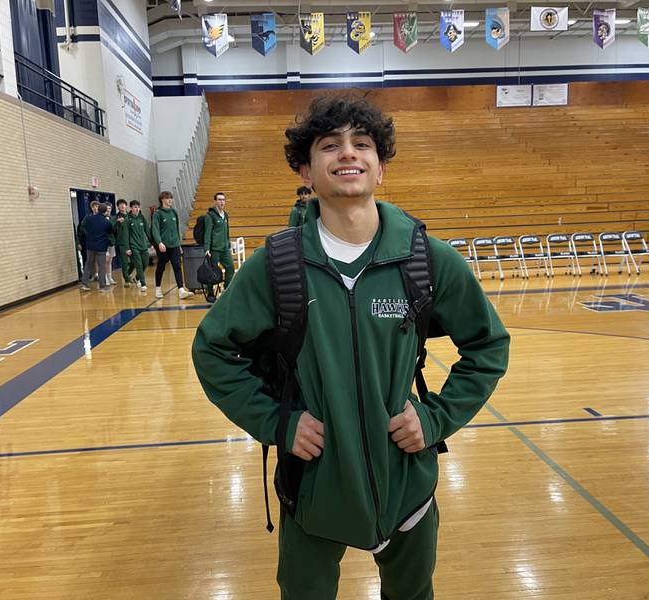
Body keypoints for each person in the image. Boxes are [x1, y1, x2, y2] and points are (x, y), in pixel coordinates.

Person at [192, 95, 510, 599]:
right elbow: (212, 350)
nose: (348, 154)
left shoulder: (425, 258)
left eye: (362, 144)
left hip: (407, 481)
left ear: (380, 168)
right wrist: (277, 422)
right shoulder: (278, 265)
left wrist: (435, 419)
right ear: (306, 169)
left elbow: (488, 345)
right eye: (330, 145)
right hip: (313, 484)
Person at [152, 191, 194, 300]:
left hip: (174, 245)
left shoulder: (174, 212)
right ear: (162, 200)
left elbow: (176, 229)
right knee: (161, 267)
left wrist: (179, 244)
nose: (170, 200)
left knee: (177, 266)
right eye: (168, 198)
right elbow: (155, 230)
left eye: (171, 198)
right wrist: (159, 242)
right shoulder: (158, 214)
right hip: (163, 246)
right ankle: (158, 288)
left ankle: (181, 290)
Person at [203, 192, 234, 302]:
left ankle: (226, 290)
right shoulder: (210, 215)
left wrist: (228, 243)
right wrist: (207, 249)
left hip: (224, 248)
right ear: (215, 201)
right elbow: (207, 233)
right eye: (220, 200)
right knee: (212, 271)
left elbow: (227, 231)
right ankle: (210, 293)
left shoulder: (225, 214)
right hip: (214, 249)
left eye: (223, 200)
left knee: (230, 267)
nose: (222, 202)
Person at [80, 203, 114, 293]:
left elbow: (82, 227)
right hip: (101, 246)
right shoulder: (107, 222)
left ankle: (84, 284)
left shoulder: (89, 218)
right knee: (101, 266)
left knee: (88, 264)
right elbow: (110, 233)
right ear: (105, 211)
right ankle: (102, 287)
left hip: (90, 245)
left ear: (98, 209)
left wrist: (88, 235)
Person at [126, 200, 150, 292]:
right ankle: (143, 283)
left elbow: (147, 230)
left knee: (145, 263)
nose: (137, 209)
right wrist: (127, 248)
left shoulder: (142, 218)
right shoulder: (128, 219)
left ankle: (136, 277)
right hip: (134, 246)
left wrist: (152, 243)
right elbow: (126, 235)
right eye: (135, 207)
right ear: (131, 208)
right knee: (139, 265)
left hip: (143, 245)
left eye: (138, 207)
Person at [113, 199, 135, 287]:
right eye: (120, 205)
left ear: (126, 206)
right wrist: (118, 223)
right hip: (122, 243)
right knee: (124, 262)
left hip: (132, 242)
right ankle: (127, 280)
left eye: (124, 204)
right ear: (118, 207)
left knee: (134, 261)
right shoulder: (116, 217)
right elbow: (113, 230)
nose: (122, 206)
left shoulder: (130, 216)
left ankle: (127, 275)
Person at [104, 203, 118, 285]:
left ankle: (110, 277)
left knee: (110, 261)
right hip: (104, 242)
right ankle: (105, 277)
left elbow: (115, 230)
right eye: (107, 208)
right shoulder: (101, 218)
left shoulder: (113, 218)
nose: (108, 210)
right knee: (105, 260)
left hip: (112, 242)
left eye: (109, 208)